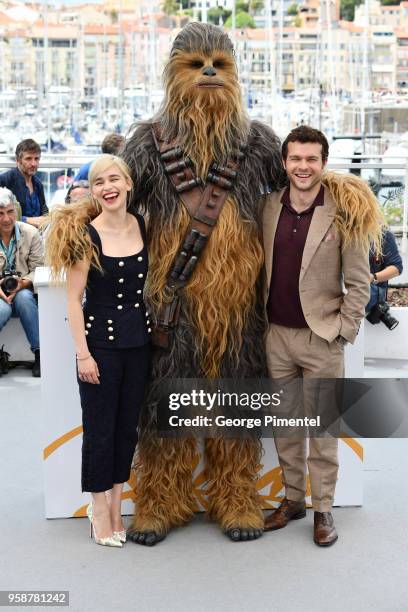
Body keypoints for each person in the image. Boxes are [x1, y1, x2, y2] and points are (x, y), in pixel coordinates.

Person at [122, 22, 283, 546]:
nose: (209, 72)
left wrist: (349, 203)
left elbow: (300, 194)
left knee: (236, 406)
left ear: (235, 74)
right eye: (196, 65)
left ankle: (236, 496)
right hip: (174, 307)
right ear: (173, 75)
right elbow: (114, 201)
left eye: (219, 63)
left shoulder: (258, 142)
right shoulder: (148, 142)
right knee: (166, 408)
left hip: (240, 312)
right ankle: (162, 500)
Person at [262, 125, 382, 546]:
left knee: (324, 430)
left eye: (311, 159)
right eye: (295, 158)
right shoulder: (267, 207)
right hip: (276, 336)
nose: (303, 166)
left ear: (323, 163)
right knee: (286, 426)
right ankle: (293, 500)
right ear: (284, 162)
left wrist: (342, 332)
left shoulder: (340, 211)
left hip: (322, 338)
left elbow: (360, 281)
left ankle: (323, 509)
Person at [46, 155, 152, 548]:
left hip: (138, 344)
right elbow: (74, 300)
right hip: (100, 346)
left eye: (113, 179)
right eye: (98, 183)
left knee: (127, 429)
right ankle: (98, 507)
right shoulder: (84, 236)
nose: (107, 187)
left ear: (127, 183)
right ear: (92, 191)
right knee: (99, 430)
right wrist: (82, 354)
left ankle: (117, 502)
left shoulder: (142, 224)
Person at [0, 187, 43, 377]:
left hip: (24, 288)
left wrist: (23, 283)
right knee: (2, 309)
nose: (6, 219)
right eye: (0, 214)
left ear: (16, 210)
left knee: (24, 298)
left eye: (10, 212)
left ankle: (40, 354)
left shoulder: (31, 233)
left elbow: (40, 269)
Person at [0, 139, 48, 229]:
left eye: (36, 159)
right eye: (28, 159)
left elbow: (44, 210)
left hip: (38, 236)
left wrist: (47, 218)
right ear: (18, 161)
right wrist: (26, 220)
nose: (34, 163)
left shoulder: (38, 184)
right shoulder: (5, 181)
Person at [366, 228, 403, 313]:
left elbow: (396, 268)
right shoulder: (339, 232)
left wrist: (373, 277)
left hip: (371, 298)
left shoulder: (383, 234)